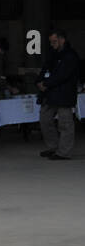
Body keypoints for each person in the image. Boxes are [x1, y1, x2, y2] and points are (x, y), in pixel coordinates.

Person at [37, 28, 80, 160]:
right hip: (50, 93)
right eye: (51, 42)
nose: (52, 44)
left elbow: (62, 75)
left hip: (64, 94)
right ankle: (54, 147)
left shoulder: (71, 55)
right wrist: (39, 81)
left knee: (65, 123)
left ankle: (64, 152)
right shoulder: (53, 54)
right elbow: (45, 68)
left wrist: (46, 83)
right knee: (45, 120)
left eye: (54, 41)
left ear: (62, 40)